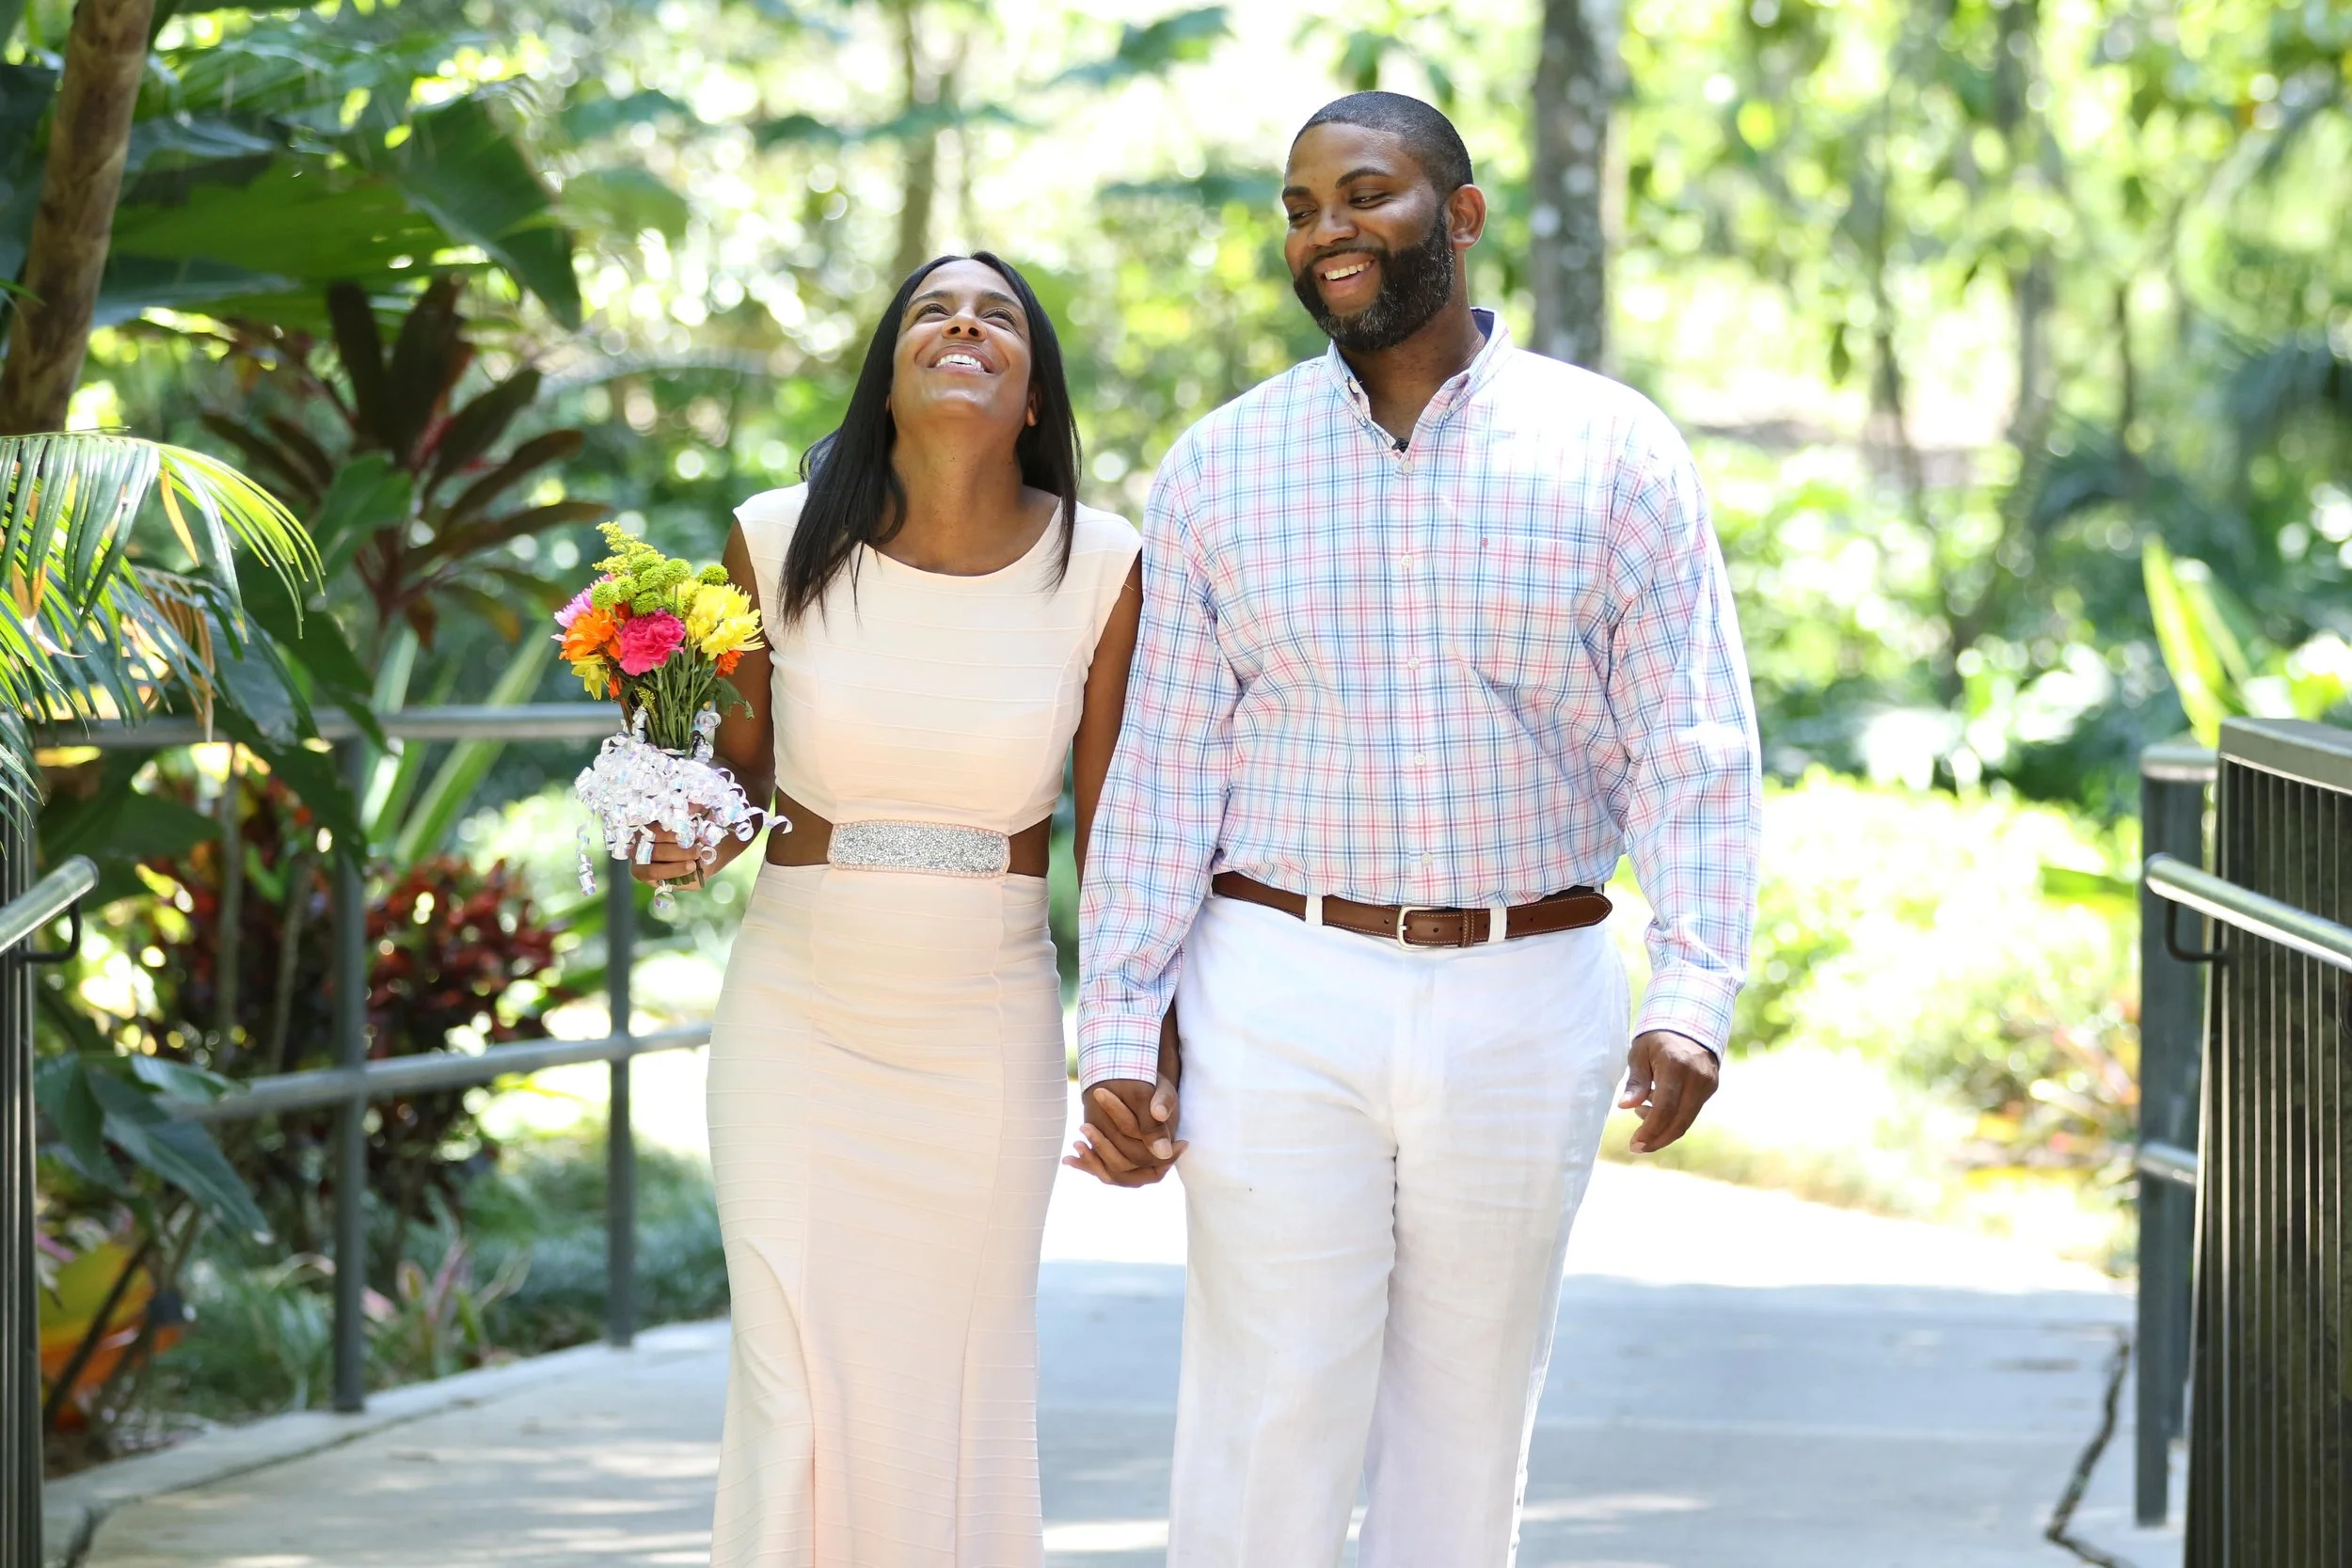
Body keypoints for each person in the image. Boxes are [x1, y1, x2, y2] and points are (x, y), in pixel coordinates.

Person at [1073, 92, 1762, 1565]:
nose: (1327, 230)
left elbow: (1690, 744)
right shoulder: (1219, 467)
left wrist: (1696, 990)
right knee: (1269, 1407)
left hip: (1531, 989)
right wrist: (1122, 1021)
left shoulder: (1615, 453)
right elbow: (1164, 768)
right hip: (1279, 979)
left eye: (1363, 194)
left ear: (1460, 214)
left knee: (1466, 1422)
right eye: (1302, 206)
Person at [634, 251, 1166, 1567]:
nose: (964, 327)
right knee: (791, 1378)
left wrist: (1132, 1043)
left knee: (962, 1388)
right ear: (888, 373)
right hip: (798, 1011)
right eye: (934, 310)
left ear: (1034, 393)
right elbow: (729, 780)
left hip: (984, 1027)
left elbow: (1118, 838)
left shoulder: (1106, 566)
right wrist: (670, 811)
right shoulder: (770, 538)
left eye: (997, 316)